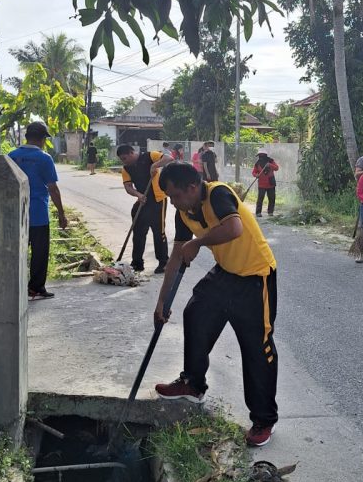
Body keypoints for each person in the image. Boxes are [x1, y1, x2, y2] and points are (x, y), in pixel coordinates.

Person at [153, 161, 279, 448]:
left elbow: (233, 228)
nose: (173, 202)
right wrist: (162, 301)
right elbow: (176, 257)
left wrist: (198, 243)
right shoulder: (183, 212)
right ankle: (193, 384)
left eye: (175, 195)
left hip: (255, 277)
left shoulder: (218, 194)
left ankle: (263, 420)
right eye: (169, 197)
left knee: (257, 348)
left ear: (193, 187)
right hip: (226, 272)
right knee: (196, 313)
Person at [8, 121, 68, 300]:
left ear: (26, 137)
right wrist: (61, 214)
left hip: (16, 212)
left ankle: (14, 287)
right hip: (38, 213)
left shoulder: (11, 156)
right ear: (42, 139)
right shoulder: (44, 158)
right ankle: (35, 288)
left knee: (17, 250)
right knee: (39, 252)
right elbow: (52, 188)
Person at [117, 144, 171, 273]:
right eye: (122, 159)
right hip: (143, 201)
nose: (124, 161)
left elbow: (169, 158)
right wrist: (138, 194)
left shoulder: (150, 156)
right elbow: (128, 187)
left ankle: (164, 263)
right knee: (138, 233)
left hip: (158, 200)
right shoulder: (126, 169)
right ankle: (137, 263)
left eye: (125, 158)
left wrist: (154, 165)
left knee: (159, 233)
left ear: (131, 153)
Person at [252, 150, 279, 217]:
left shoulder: (271, 161)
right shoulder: (257, 164)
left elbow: (276, 168)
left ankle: (270, 212)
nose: (260, 157)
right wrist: (256, 175)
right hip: (262, 184)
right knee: (260, 199)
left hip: (271, 183)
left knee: (272, 198)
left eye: (261, 155)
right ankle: (258, 212)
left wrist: (270, 165)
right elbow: (253, 172)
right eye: (259, 156)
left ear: (265, 155)